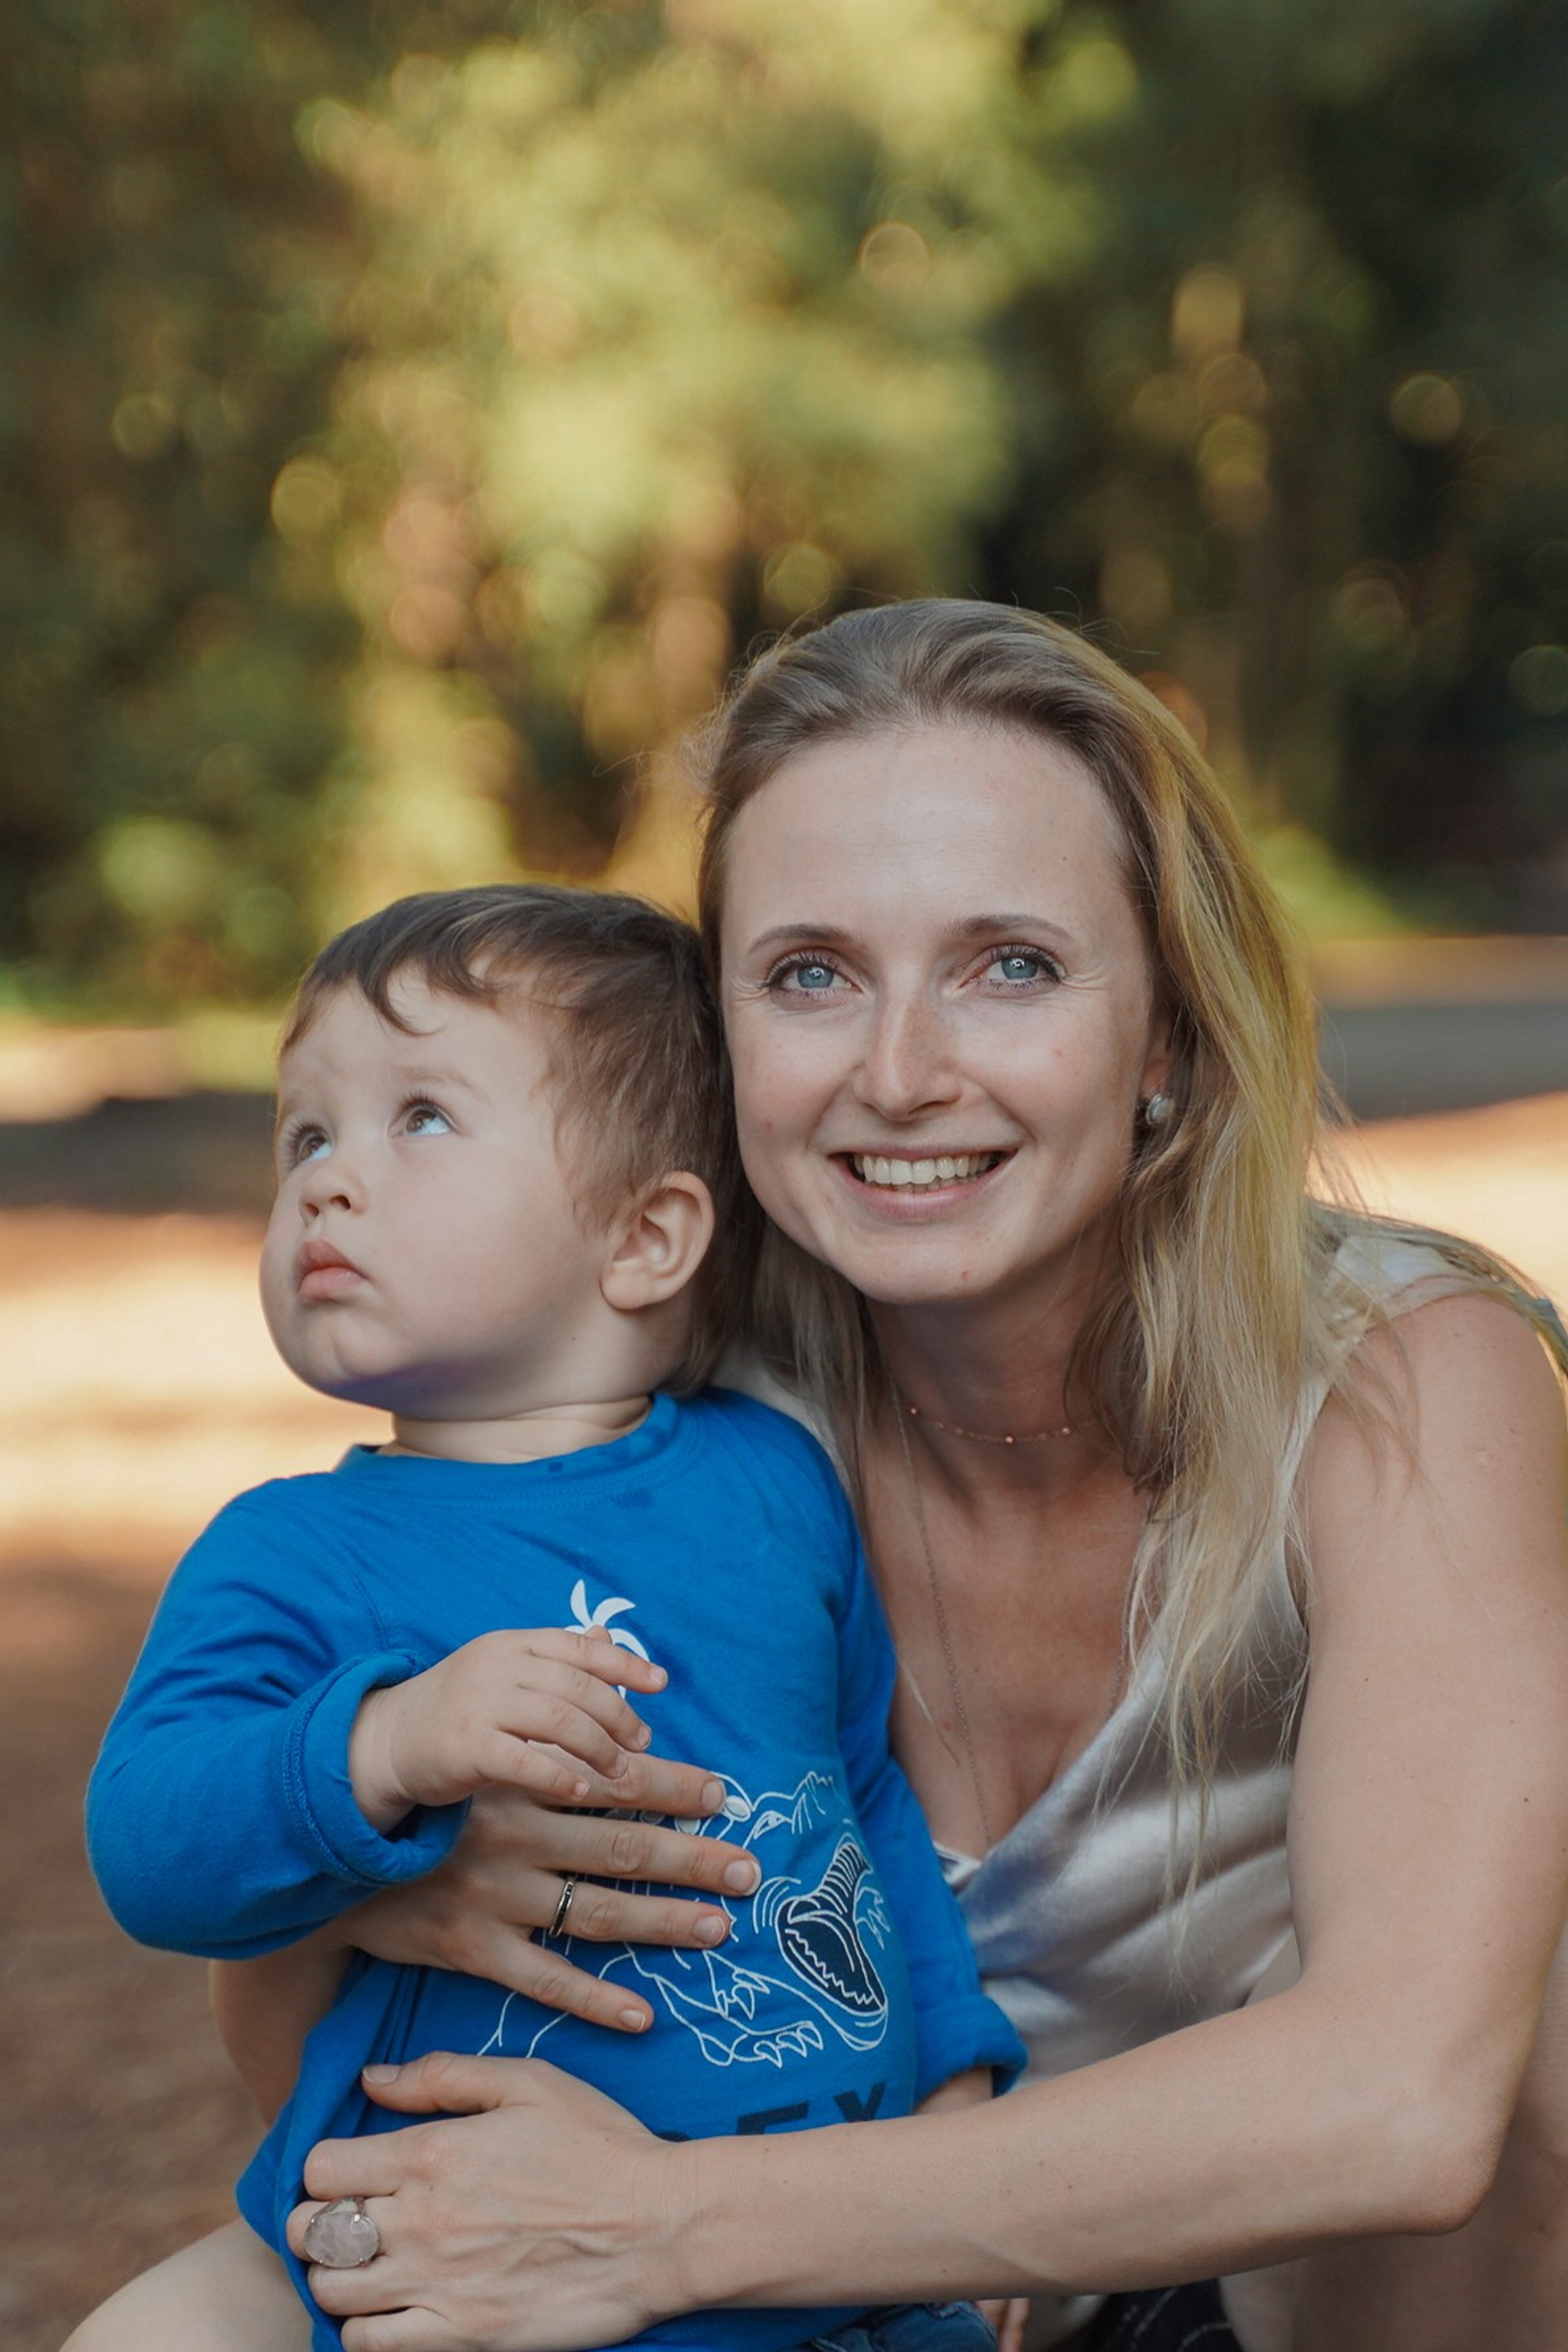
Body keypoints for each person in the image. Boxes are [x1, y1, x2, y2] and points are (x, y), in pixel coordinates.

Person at [67, 603, 1568, 2352]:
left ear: (1169, 1034)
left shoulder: (1400, 1376)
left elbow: (1415, 2097)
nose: (901, 1074)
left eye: (1010, 964)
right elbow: (285, 2044)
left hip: (1264, 2289)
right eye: (810, 974)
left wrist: (677, 2223)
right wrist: (399, 1864)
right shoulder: (660, 1397)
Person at [81, 883, 1025, 2352]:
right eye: (307, 1134)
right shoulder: (291, 1555)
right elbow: (148, 1845)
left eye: (422, 1120)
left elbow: (863, 1793)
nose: (329, 1181)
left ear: (646, 1238)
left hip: (831, 2276)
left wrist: (957, 2089)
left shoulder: (773, 1482)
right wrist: (381, 1744)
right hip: (464, 2284)